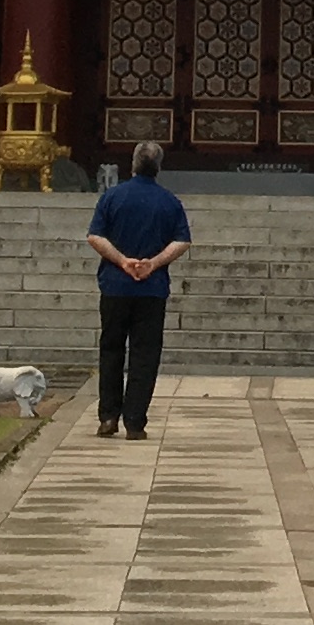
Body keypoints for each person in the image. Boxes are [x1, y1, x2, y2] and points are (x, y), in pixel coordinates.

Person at [83, 140, 191, 438]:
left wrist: (122, 261)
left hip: (115, 285)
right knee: (145, 354)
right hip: (151, 288)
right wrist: (152, 263)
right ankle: (134, 421)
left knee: (111, 349)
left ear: (132, 164)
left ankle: (108, 416)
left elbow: (95, 236)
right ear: (158, 167)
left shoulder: (112, 196)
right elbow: (182, 240)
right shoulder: (169, 201)